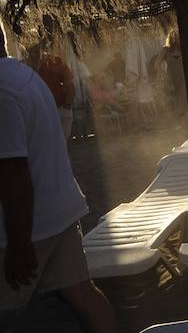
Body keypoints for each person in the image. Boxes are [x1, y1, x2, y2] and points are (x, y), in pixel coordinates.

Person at [0, 22, 117, 333]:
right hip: (61, 209)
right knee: (83, 294)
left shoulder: (2, 90)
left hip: (31, 225)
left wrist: (19, 242)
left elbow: (14, 173)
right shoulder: (24, 77)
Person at [25, 42, 75, 140]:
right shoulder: (24, 66)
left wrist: (68, 105)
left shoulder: (55, 61)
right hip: (38, 113)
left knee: (61, 143)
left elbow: (70, 84)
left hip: (59, 108)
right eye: (31, 49)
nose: (34, 53)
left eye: (36, 49)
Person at [158, 30, 184, 110]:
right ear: (170, 37)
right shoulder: (165, 50)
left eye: (177, 36)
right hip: (170, 79)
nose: (175, 38)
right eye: (174, 36)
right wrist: (164, 75)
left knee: (182, 100)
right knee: (172, 100)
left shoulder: (183, 49)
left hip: (182, 78)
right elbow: (157, 64)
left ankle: (183, 116)